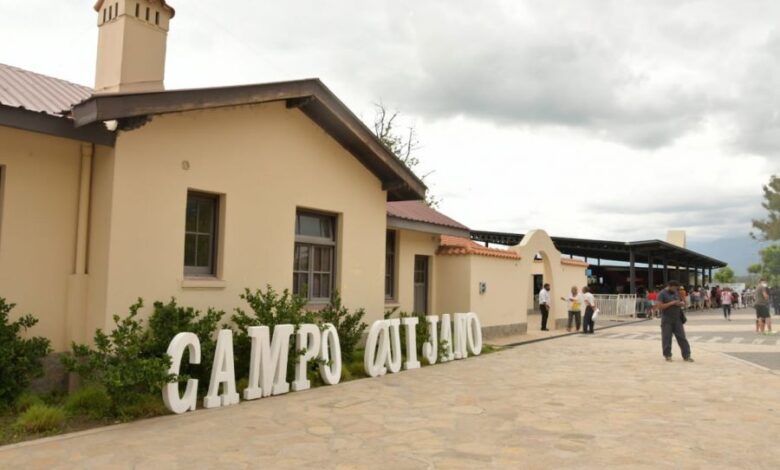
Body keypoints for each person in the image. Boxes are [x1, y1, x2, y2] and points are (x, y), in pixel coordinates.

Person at [657, 280, 693, 362]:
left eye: (676, 288)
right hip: (667, 319)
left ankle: (687, 355)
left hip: (677, 319)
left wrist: (681, 303)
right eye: (674, 288)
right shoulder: (661, 294)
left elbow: (682, 302)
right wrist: (672, 303)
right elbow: (659, 306)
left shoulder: (676, 292)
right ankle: (667, 355)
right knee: (667, 338)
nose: (675, 290)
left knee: (682, 337)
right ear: (669, 286)